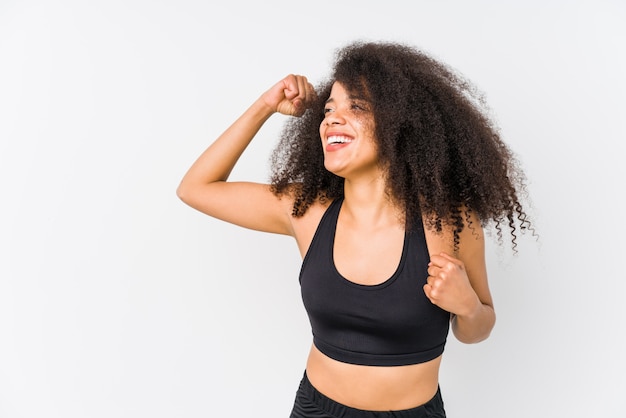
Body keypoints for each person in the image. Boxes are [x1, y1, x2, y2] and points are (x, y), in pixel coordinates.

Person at [177, 41, 532, 417]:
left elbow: (478, 329)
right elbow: (195, 188)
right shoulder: (306, 212)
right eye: (328, 109)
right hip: (315, 409)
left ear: (400, 123)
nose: (331, 118)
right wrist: (266, 105)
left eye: (356, 106)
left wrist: (468, 306)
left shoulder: (448, 223)